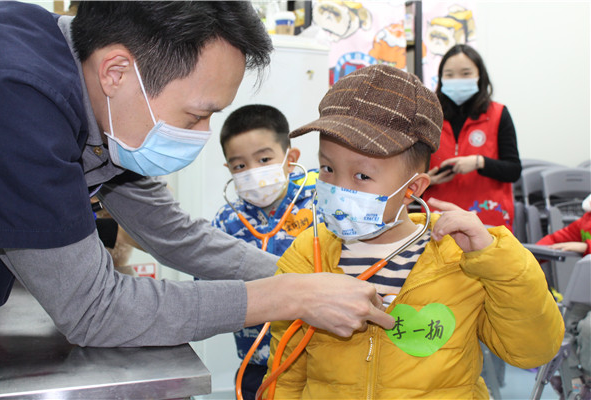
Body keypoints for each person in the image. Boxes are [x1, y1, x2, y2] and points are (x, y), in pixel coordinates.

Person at [0, 1, 394, 348]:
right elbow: (95, 309)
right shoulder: (18, 102)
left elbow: (174, 234)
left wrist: (307, 276)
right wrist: (287, 296)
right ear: (116, 72)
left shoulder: (98, 100)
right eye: (196, 114)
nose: (201, 135)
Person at [262, 65, 564, 399]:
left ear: (412, 188)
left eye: (362, 176)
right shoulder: (308, 254)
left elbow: (532, 350)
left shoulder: (458, 257)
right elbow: (285, 372)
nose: (337, 187)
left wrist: (497, 261)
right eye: (328, 168)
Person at [212, 104, 319, 400]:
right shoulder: (226, 221)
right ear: (229, 169)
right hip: (256, 362)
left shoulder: (319, 203)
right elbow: (209, 285)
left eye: (264, 159)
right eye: (240, 166)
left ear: (290, 159)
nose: (253, 172)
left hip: (316, 358)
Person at [423, 44, 522, 232]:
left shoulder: (498, 114)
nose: (457, 80)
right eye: (449, 74)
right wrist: (427, 180)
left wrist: (479, 162)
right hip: (438, 220)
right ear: (441, 78)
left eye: (466, 73)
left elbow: (514, 170)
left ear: (480, 76)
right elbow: (410, 171)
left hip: (488, 220)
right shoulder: (429, 116)